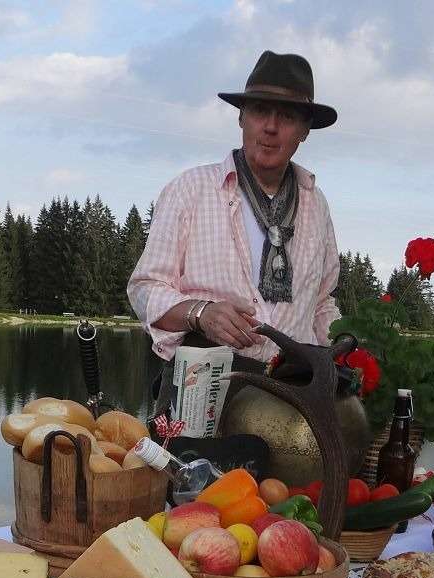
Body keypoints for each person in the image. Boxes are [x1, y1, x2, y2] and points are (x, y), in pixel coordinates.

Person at [127, 51, 341, 366]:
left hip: (293, 390)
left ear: (305, 130)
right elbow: (144, 291)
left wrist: (349, 352)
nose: (270, 126)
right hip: (205, 381)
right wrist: (200, 313)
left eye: (286, 116)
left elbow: (322, 304)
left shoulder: (316, 203)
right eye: (260, 111)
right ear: (241, 117)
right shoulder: (190, 189)